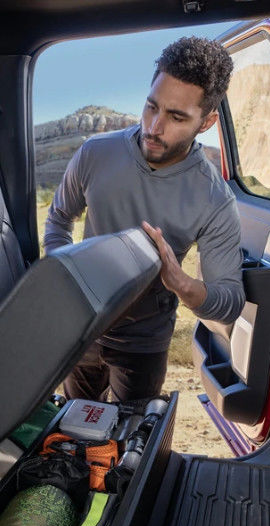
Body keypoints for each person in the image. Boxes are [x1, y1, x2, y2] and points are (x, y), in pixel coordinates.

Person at [43, 36, 245, 402]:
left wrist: (182, 284)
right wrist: (65, 281)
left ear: (207, 121)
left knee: (127, 445)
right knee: (74, 432)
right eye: (151, 107)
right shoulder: (95, 153)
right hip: (82, 330)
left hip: (145, 343)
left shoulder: (215, 198)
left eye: (176, 117)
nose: (153, 127)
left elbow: (230, 300)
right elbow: (58, 218)